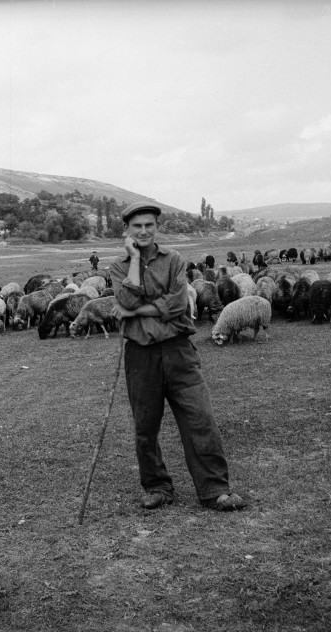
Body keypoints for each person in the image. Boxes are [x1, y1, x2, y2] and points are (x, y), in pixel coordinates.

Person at [110, 201, 246, 512]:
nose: (144, 231)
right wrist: (133, 260)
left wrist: (138, 309)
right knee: (145, 426)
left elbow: (176, 305)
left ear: (157, 227)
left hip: (178, 350)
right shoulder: (118, 267)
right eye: (137, 226)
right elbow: (126, 298)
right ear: (127, 231)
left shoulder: (173, 260)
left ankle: (214, 489)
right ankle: (157, 487)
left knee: (200, 417)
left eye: (149, 225)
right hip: (140, 355)